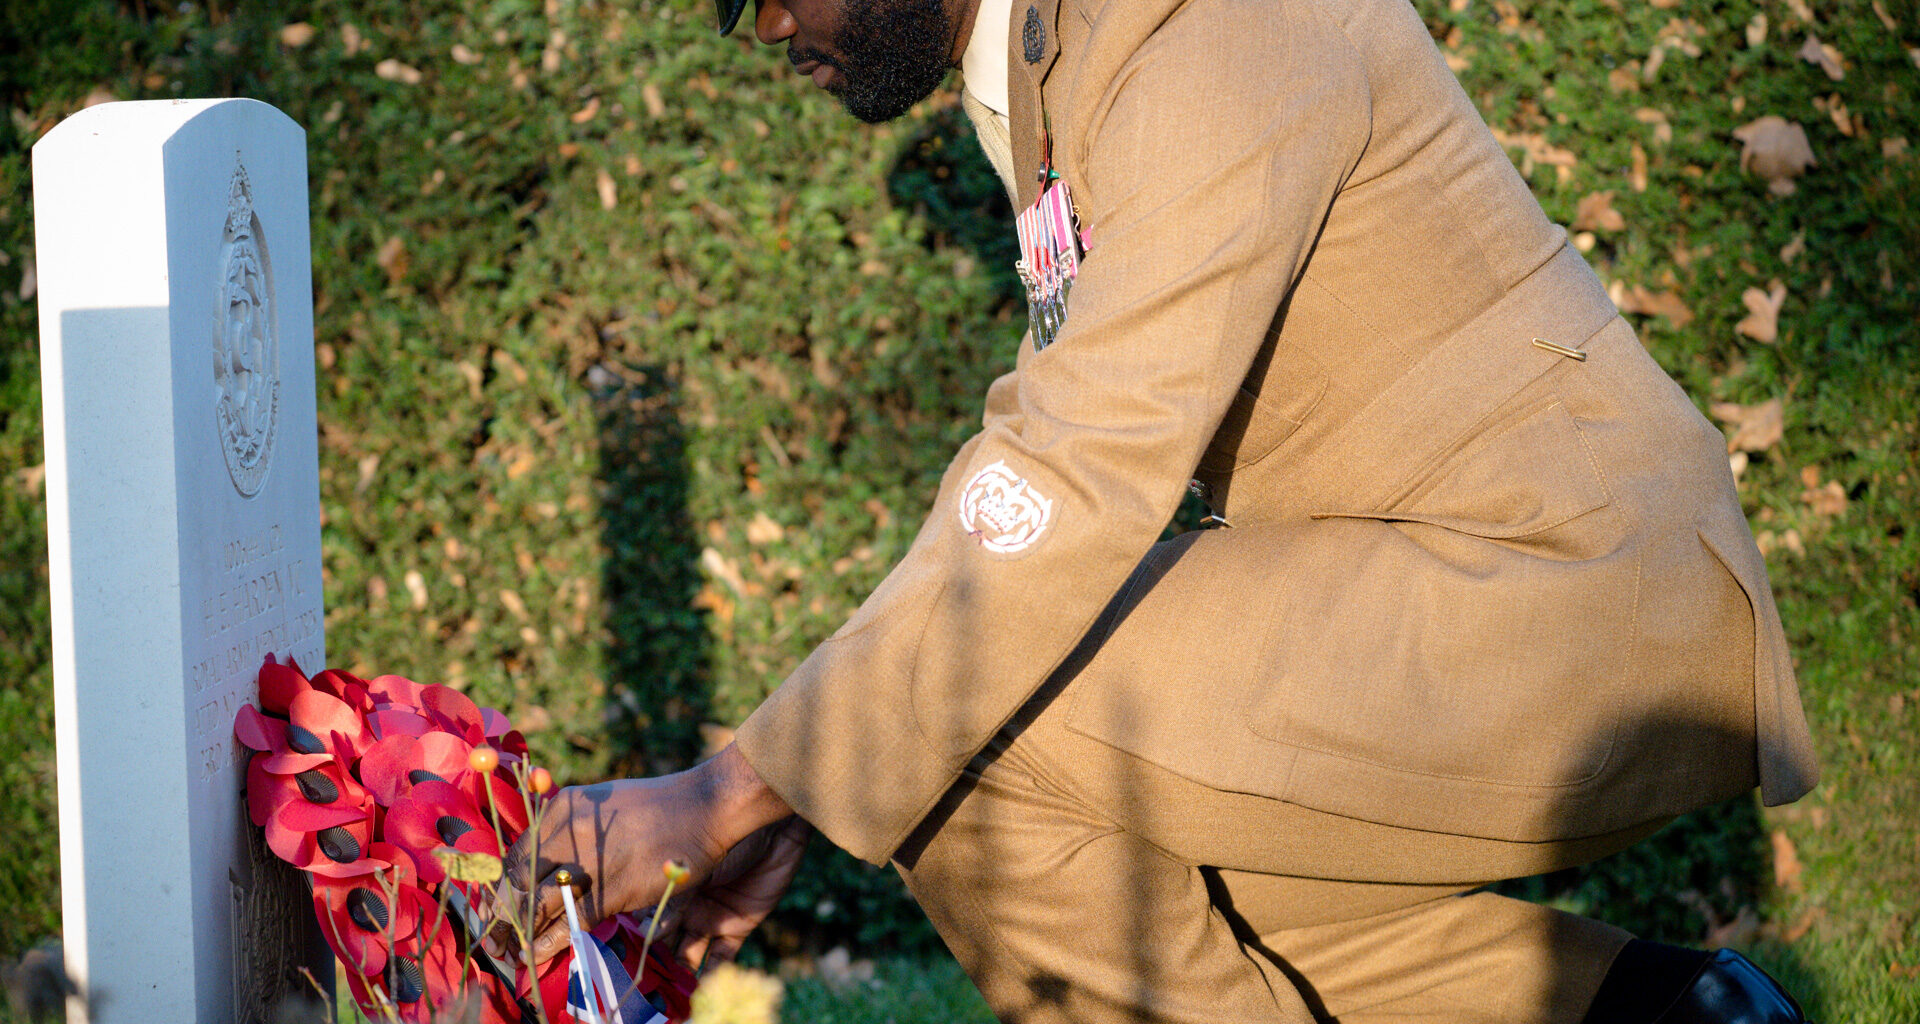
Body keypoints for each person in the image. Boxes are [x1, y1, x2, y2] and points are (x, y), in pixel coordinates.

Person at [505, 0, 1821, 1020]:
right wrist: (782, 789)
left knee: (978, 730)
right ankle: (1648, 1010)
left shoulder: (1206, 26)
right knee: (1016, 784)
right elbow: (1039, 461)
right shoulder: (1071, 52)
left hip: (1572, 591)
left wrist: (733, 788)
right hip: (1461, 577)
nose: (762, 28)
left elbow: (1082, 469)